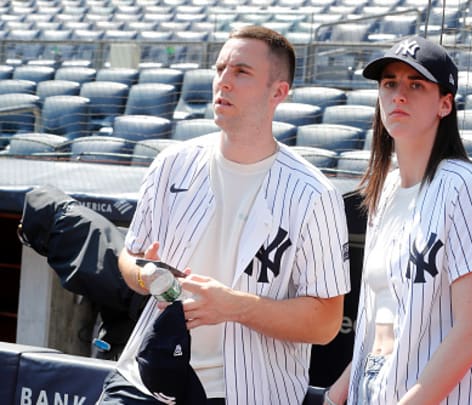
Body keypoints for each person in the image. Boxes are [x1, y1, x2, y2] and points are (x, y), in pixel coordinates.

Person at [97, 25, 351, 405]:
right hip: (147, 375)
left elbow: (327, 323)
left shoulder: (314, 194)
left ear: (278, 92)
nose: (224, 82)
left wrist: (235, 306)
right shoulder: (172, 163)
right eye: (220, 70)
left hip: (247, 390)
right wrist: (146, 275)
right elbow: (130, 257)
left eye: (241, 72)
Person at [323, 36, 472, 404]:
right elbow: (382, 324)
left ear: (444, 104)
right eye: (389, 83)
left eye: (415, 84)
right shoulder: (384, 189)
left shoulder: (464, 185)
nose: (398, 95)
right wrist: (336, 395)